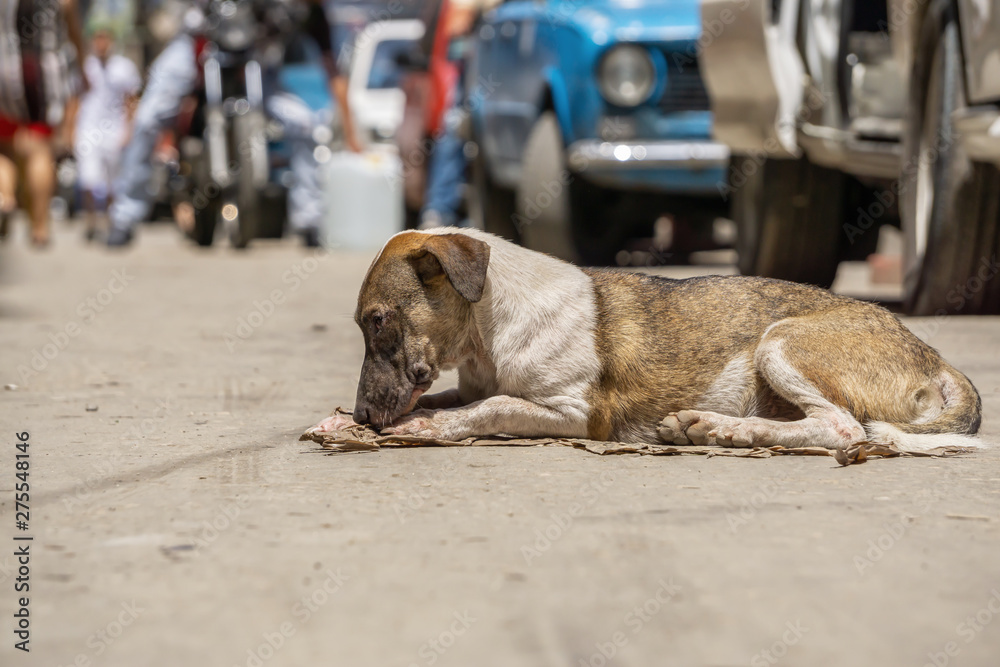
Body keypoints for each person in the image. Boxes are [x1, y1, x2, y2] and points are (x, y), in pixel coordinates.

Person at [107, 0, 361, 248]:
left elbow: (333, 71)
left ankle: (309, 219)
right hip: (197, 48)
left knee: (305, 124)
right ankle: (124, 216)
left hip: (253, 61)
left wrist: (352, 134)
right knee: (147, 117)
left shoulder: (304, 12)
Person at [0, 0, 86, 247]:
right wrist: (82, 65)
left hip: (4, 72)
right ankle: (40, 228)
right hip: (41, 75)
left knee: (3, 147)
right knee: (40, 149)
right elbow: (73, 32)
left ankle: (5, 200)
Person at [74, 25, 141, 241]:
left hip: (114, 130)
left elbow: (131, 101)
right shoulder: (83, 66)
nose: (101, 44)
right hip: (87, 128)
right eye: (97, 39)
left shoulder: (124, 68)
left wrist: (129, 130)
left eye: (105, 39)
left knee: (113, 180)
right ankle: (91, 221)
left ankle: (112, 221)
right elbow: (73, 99)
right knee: (88, 178)